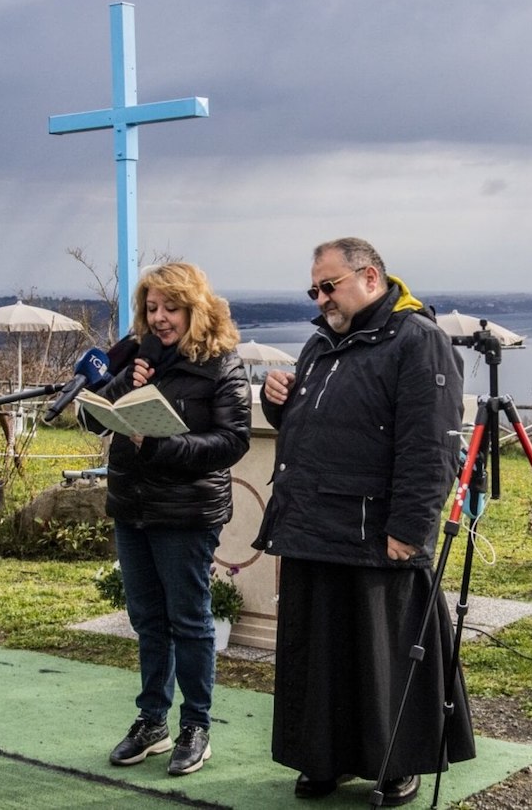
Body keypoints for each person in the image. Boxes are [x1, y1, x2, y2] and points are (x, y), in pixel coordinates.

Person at [253, 237, 476, 804]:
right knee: (319, 658)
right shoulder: (320, 343)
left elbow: (432, 444)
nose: (320, 297)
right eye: (314, 288)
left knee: (386, 659)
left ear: (370, 277)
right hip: (311, 526)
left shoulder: (418, 340)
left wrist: (412, 526)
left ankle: (397, 763)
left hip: (378, 532)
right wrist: (278, 399)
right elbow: (313, 421)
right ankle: (322, 760)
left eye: (329, 286)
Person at [97, 263, 252, 775]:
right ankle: (152, 723)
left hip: (186, 511)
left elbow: (232, 441)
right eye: (152, 308)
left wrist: (163, 445)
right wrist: (123, 386)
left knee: (189, 621)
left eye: (170, 308)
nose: (159, 318)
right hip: (132, 506)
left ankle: (196, 727)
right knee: (146, 620)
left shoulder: (221, 363)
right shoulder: (142, 358)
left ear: (194, 309)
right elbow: (99, 410)